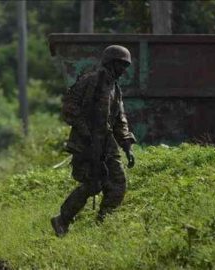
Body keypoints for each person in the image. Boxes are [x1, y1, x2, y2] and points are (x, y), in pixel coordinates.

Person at [51, 45, 136, 237]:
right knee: (93, 184)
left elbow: (119, 120)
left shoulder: (115, 88)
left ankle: (103, 225)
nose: (123, 70)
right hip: (86, 143)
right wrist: (85, 131)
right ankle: (62, 219)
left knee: (118, 184)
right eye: (120, 65)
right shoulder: (89, 81)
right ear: (111, 63)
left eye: (125, 66)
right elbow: (69, 109)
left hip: (106, 144)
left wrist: (127, 146)